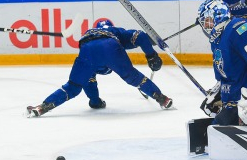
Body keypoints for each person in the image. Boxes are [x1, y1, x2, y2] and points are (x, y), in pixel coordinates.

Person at [25, 19, 173, 117]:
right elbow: (140, 36)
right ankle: (161, 97)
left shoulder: (91, 32)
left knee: (73, 86)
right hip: (110, 47)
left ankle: (43, 106)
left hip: (87, 50)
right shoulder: (115, 31)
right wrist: (151, 55)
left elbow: (89, 78)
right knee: (133, 77)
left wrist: (95, 101)